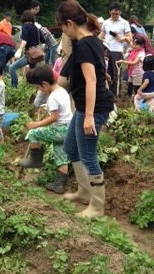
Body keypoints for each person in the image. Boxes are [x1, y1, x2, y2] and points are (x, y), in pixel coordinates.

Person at [56, 0, 114, 218]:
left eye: (62, 26)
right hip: (84, 106)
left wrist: (89, 116)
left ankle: (97, 206)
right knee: (71, 148)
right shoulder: (87, 42)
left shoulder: (85, 45)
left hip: (94, 107)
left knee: (88, 156)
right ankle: (83, 191)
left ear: (70, 23)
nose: (62, 30)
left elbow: (91, 80)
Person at [19, 64, 73, 194]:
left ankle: (35, 160)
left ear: (44, 84)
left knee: (33, 133)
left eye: (38, 87)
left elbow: (54, 117)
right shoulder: (62, 91)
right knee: (60, 154)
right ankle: (59, 185)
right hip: (69, 129)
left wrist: (36, 124)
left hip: (60, 129)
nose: (38, 89)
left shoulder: (52, 97)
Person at [98, 1, 132, 96]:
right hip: (106, 50)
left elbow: (130, 37)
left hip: (117, 50)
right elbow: (101, 35)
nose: (114, 15)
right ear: (109, 12)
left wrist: (123, 38)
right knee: (107, 72)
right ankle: (107, 92)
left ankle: (116, 94)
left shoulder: (124, 23)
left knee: (116, 73)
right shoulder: (106, 22)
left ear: (120, 12)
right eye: (113, 13)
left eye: (116, 14)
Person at [9, 10, 45, 88]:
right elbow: (43, 40)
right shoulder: (36, 27)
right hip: (37, 54)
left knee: (12, 68)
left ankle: (14, 87)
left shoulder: (25, 26)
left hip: (30, 54)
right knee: (32, 72)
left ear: (24, 18)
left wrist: (19, 50)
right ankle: (32, 89)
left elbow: (25, 41)